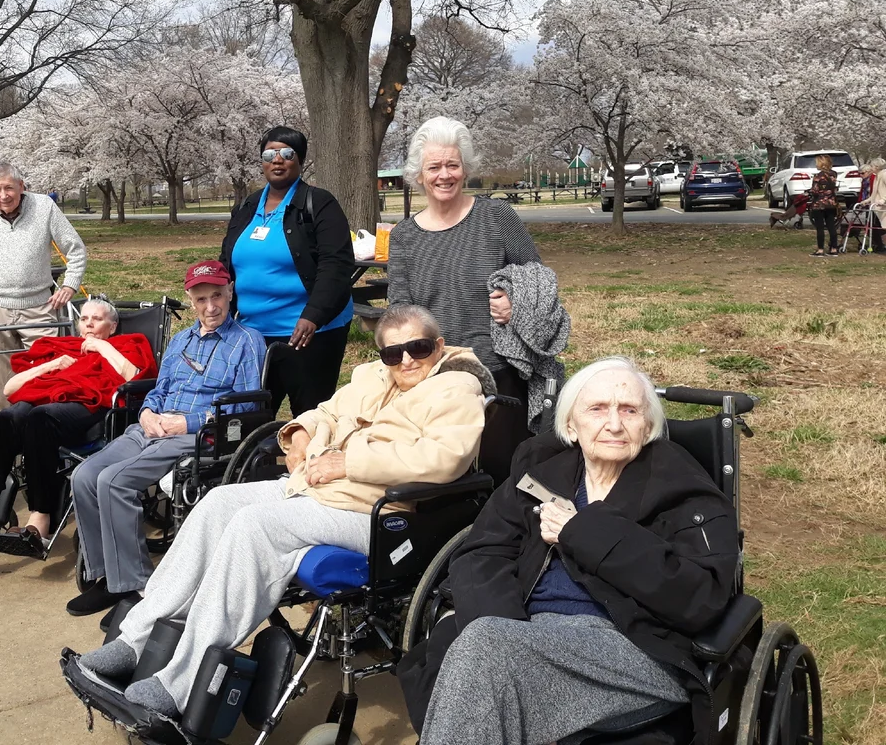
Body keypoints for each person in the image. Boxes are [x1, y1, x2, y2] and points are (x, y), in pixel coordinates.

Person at [67, 303, 491, 719]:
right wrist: (301, 433)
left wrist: (348, 462)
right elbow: (324, 410)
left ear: (437, 345)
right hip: (319, 487)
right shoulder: (373, 376)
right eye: (392, 353)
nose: (406, 360)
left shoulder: (456, 388)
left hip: (379, 512)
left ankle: (180, 682)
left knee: (256, 526)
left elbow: (444, 459)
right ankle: (137, 638)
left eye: (417, 348)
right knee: (217, 503)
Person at [397, 357, 739, 745]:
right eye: (597, 409)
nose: (613, 424)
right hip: (522, 634)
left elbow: (698, 595)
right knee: (475, 650)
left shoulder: (681, 488)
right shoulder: (539, 477)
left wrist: (581, 531)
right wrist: (506, 628)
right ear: (571, 425)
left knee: (483, 657)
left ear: (648, 427)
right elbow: (481, 555)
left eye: (629, 410)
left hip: (635, 649)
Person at [65, 261, 266, 617]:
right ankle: (106, 576)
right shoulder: (179, 341)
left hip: (201, 436)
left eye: (217, 296)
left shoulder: (246, 341)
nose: (210, 307)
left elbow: (247, 406)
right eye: (201, 299)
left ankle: (135, 586)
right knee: (83, 476)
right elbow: (158, 390)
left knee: (114, 481)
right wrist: (146, 414)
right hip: (151, 426)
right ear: (190, 300)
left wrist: (184, 423)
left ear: (230, 292)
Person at [388, 117, 561, 485]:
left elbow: (539, 280)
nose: (444, 175)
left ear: (466, 169)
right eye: (434, 167)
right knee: (443, 477)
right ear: (419, 174)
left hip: (498, 374)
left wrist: (518, 303)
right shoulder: (404, 236)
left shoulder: (496, 216)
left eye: (453, 165)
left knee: (504, 476)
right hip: (434, 378)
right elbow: (399, 309)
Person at [0, 299, 156, 556]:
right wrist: (52, 364)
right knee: (4, 421)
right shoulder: (61, 348)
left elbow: (135, 376)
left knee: (40, 420)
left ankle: (40, 521)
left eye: (96, 319)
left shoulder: (127, 344)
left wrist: (101, 347)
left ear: (113, 326)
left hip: (87, 405)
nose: (88, 324)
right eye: (84, 319)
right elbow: (10, 389)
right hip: (43, 398)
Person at [219, 126, 355, 416]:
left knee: (309, 419)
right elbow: (226, 262)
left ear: (300, 160)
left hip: (309, 335)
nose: (277, 160)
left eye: (286, 153)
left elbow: (337, 265)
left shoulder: (319, 203)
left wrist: (313, 316)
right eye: (269, 154)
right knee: (249, 417)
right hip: (253, 335)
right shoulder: (248, 205)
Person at [0, 161, 88, 411]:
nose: (3, 196)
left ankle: (43, 428)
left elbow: (76, 250)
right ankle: (10, 435)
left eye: (9, 188)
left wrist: (70, 285)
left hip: (39, 305)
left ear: (21, 186)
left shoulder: (44, 207)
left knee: (48, 372)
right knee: (5, 379)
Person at [807, 153, 840, 257]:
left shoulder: (818, 177)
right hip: (831, 203)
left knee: (820, 227)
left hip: (819, 204)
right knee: (831, 226)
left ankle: (820, 249)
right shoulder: (834, 174)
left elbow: (815, 191)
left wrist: (810, 192)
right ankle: (834, 248)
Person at [857, 157, 886, 254]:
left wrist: (883, 200)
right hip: (876, 206)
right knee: (876, 226)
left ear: (877, 167)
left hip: (883, 205)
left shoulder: (884, 175)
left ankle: (881, 245)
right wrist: (866, 201)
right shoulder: (877, 176)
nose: (871, 168)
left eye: (872, 166)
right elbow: (875, 193)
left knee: (883, 227)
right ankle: (879, 245)